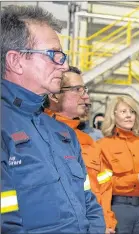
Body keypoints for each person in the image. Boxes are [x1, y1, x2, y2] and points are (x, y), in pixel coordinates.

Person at [1, 5, 105, 233]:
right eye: (54, 55)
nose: (64, 65)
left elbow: (89, 202)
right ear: (16, 61)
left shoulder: (63, 133)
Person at [45, 66, 117, 233]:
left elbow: (104, 186)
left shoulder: (88, 142)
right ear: (55, 94)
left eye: (84, 89)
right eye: (77, 89)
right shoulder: (38, 135)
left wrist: (106, 223)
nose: (86, 97)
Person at [98, 96, 139, 234]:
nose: (129, 115)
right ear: (113, 115)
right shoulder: (103, 145)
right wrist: (136, 179)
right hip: (120, 209)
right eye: (123, 111)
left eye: (132, 112)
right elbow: (104, 184)